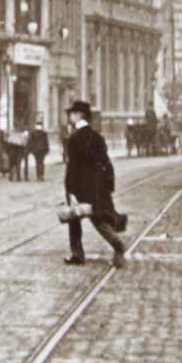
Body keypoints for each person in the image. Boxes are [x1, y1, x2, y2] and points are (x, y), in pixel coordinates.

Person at [61, 99, 127, 268]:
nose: (70, 116)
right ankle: (116, 246)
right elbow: (106, 163)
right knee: (99, 220)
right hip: (98, 186)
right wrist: (107, 186)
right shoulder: (98, 137)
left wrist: (70, 190)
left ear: (78, 115)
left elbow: (73, 167)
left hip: (80, 187)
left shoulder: (73, 139)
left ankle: (78, 253)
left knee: (75, 219)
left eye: (72, 114)